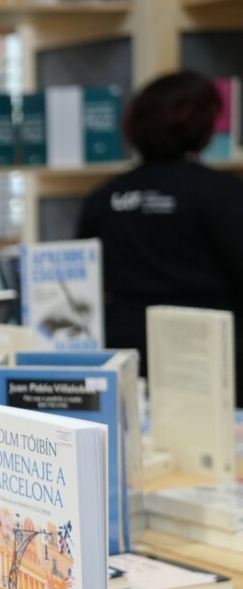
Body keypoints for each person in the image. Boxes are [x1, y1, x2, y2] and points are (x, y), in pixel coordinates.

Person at [76, 70, 243, 405]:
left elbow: (86, 282)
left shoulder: (104, 196)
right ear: (204, 127)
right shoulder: (221, 192)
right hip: (209, 356)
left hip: (123, 358)